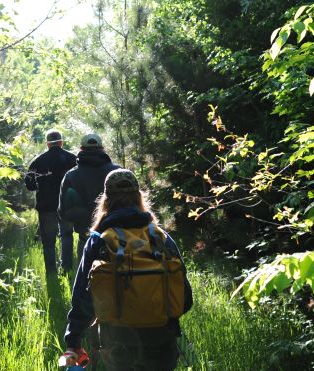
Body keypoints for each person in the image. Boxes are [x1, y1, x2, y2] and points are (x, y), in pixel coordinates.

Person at [63, 169, 193, 371]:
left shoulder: (100, 240)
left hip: (117, 337)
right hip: (162, 336)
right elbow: (186, 298)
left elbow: (83, 295)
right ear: (139, 197)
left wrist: (73, 340)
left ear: (106, 200)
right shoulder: (160, 238)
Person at [58, 133, 119, 270]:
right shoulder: (118, 172)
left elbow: (64, 212)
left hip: (86, 238)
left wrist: (80, 221)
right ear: (102, 148)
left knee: (86, 281)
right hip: (116, 240)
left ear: (81, 149)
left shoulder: (71, 176)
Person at [24, 129, 77, 275]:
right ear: (61, 142)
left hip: (46, 206)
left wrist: (39, 186)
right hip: (67, 206)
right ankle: (67, 268)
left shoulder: (38, 160)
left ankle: (51, 272)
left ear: (47, 144)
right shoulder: (72, 158)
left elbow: (29, 183)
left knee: (48, 241)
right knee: (67, 235)